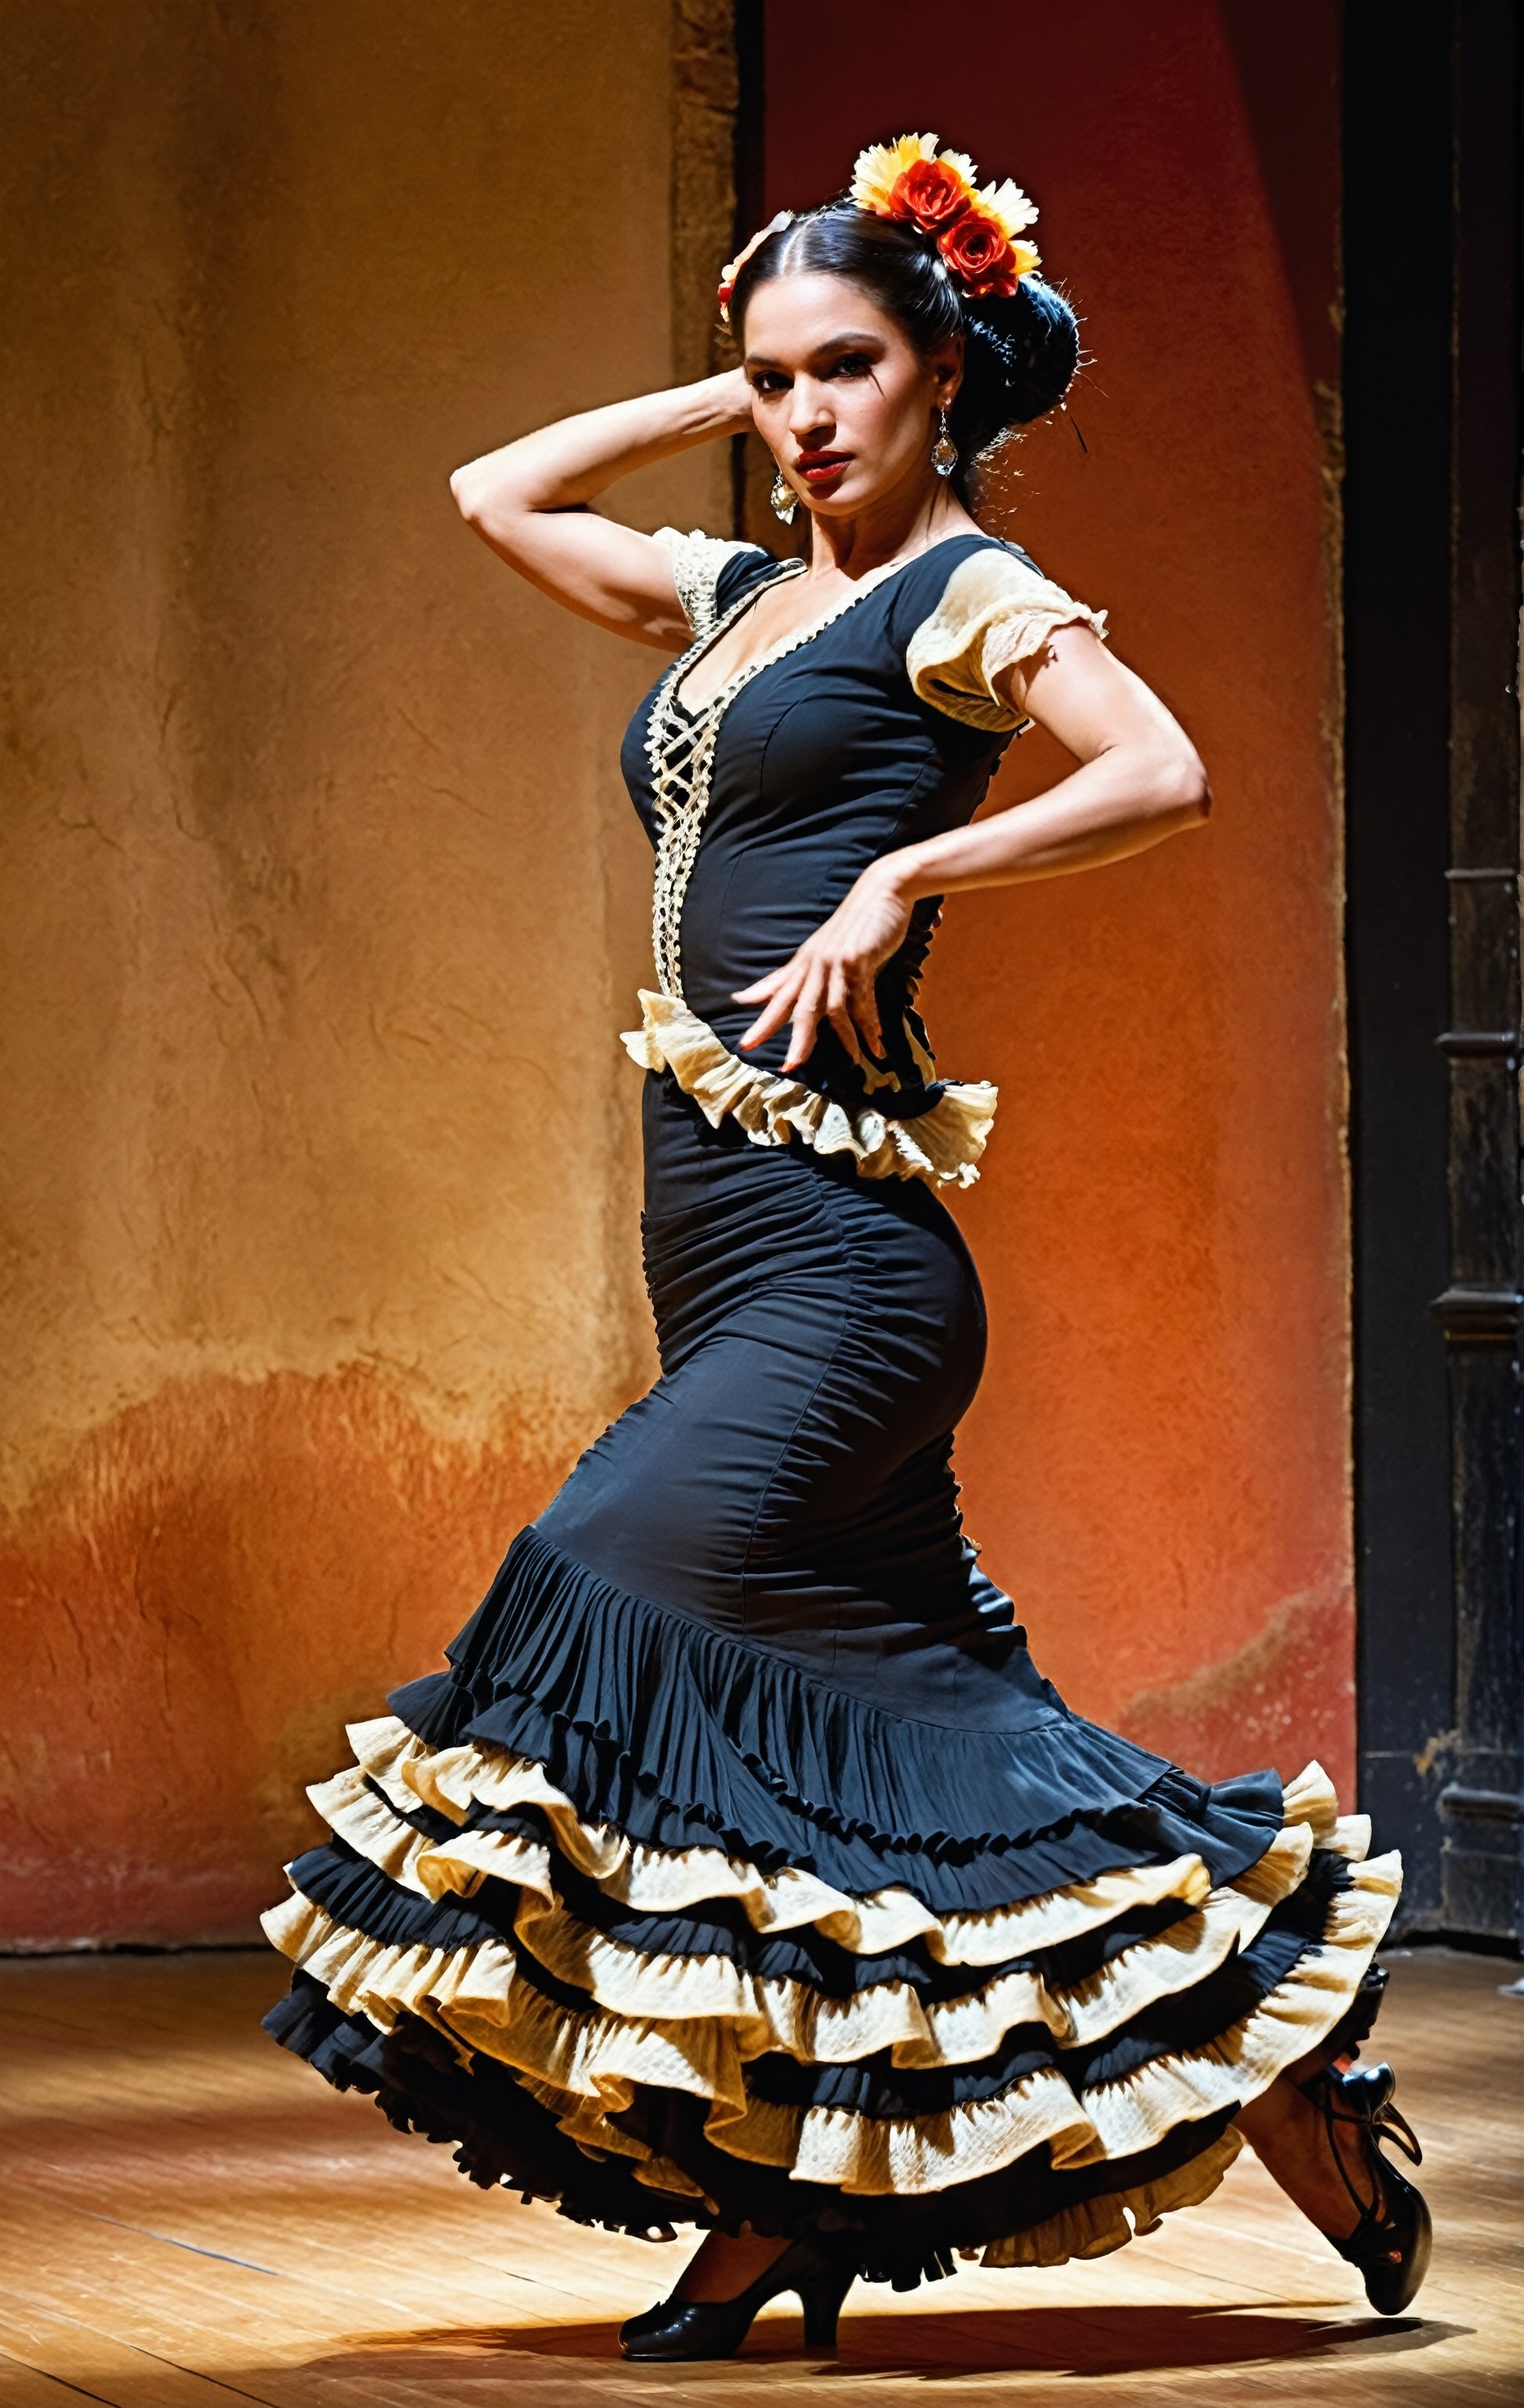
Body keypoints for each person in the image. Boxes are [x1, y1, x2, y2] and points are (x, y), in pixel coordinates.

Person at [261, 135, 1429, 2361]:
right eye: (776, 377)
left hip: (849, 1272)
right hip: (712, 1247)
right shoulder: (737, 597)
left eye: (852, 371)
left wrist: (913, 885)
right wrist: (723, 395)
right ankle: (1271, 2062)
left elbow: (1161, 766)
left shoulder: (963, 599)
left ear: (943, 377)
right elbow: (495, 495)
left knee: (601, 1586)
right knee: (944, 1744)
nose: (809, 415)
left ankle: (779, 2184)